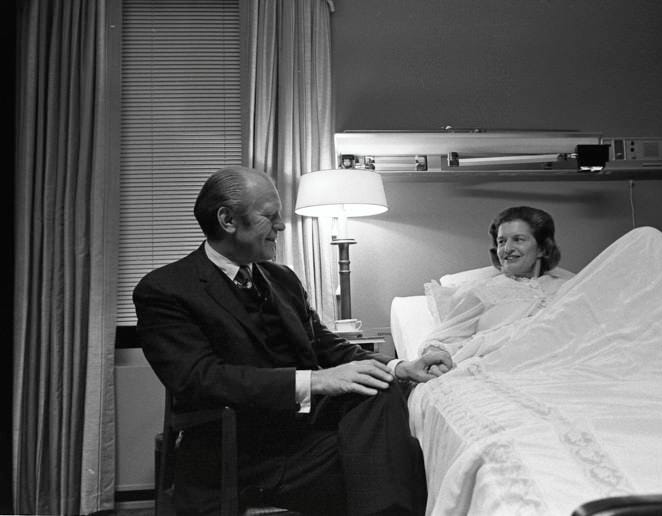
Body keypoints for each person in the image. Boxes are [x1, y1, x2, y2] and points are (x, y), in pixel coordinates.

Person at [133, 166, 453, 516]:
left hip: (305, 434)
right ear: (227, 220)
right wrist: (315, 381)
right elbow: (200, 379)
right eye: (270, 217)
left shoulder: (281, 278)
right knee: (401, 457)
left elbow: (324, 345)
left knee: (381, 387)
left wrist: (399, 365)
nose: (281, 227)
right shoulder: (166, 289)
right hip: (241, 449)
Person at [421, 206, 574, 369]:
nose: (507, 249)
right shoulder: (482, 291)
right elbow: (444, 340)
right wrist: (434, 360)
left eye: (518, 239)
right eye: (501, 241)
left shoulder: (569, 287)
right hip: (501, 368)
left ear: (542, 249)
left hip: (567, 365)